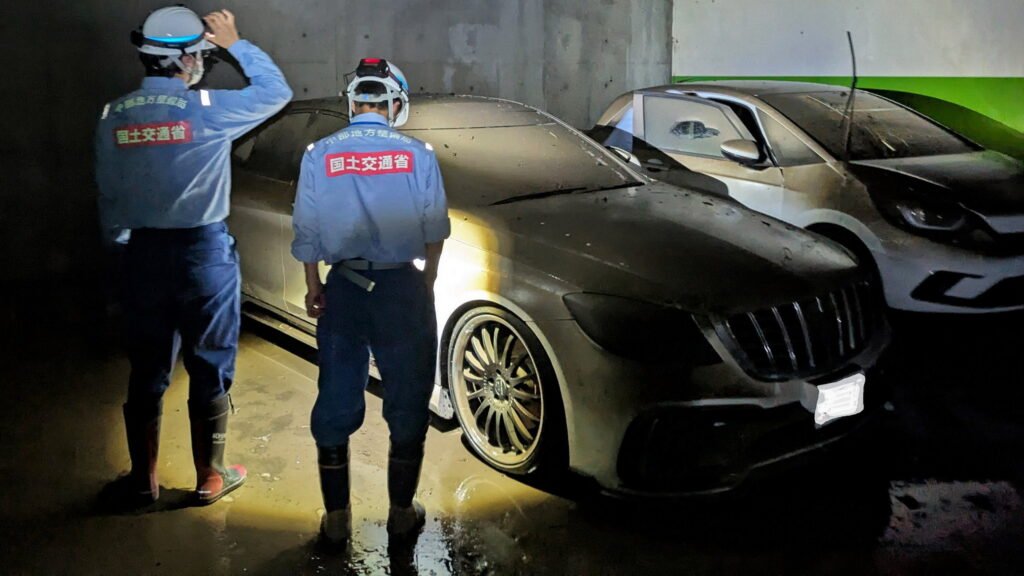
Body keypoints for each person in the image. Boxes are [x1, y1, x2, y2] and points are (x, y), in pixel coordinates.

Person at [94, 6, 292, 508]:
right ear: (185, 62)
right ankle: (210, 477)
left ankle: (143, 482)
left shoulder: (113, 115)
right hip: (203, 253)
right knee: (210, 362)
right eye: (203, 55)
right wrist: (235, 42)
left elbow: (109, 195)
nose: (204, 63)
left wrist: (124, 250)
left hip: (142, 255)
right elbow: (276, 93)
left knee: (148, 367)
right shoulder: (205, 107)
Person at [291, 58, 450, 545]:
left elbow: (307, 232)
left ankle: (337, 520)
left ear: (353, 101)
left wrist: (315, 285)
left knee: (336, 397)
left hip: (343, 289)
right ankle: (401, 513)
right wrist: (425, 286)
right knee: (407, 398)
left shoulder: (319, 154)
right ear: (395, 103)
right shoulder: (417, 154)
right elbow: (435, 232)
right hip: (401, 289)